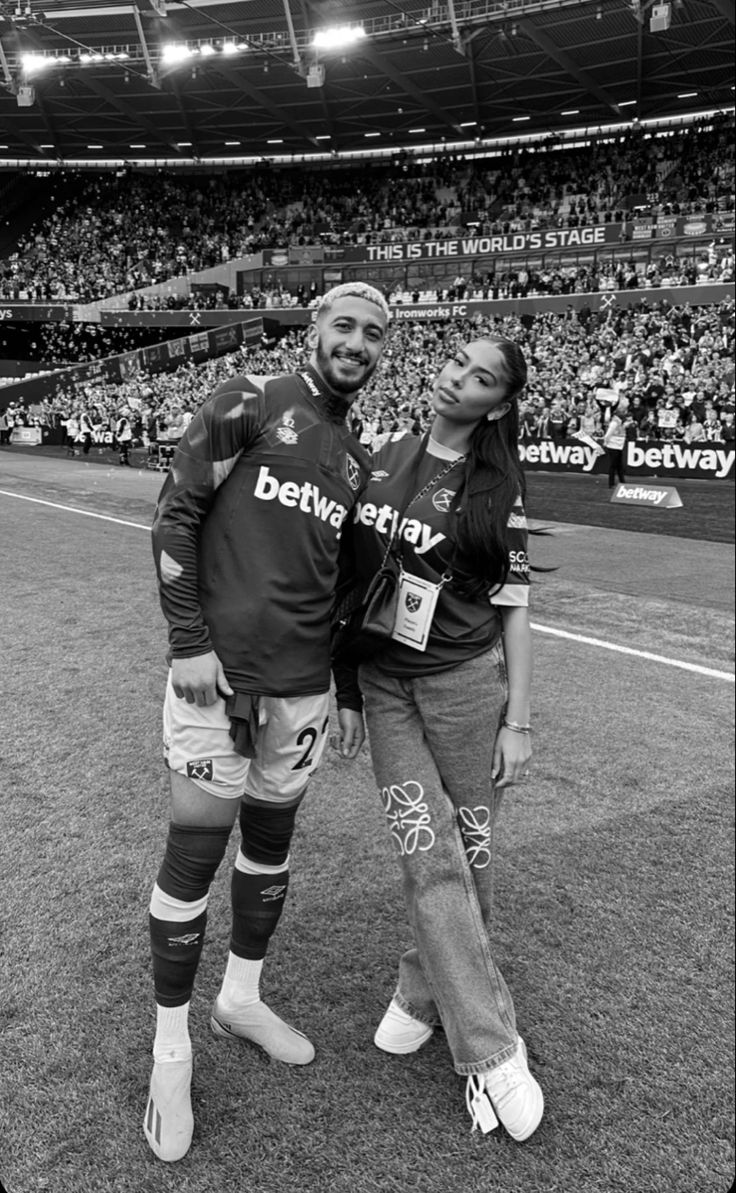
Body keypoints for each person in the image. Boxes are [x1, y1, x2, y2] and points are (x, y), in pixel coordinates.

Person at [144, 282, 390, 1162]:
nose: (355, 343)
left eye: (372, 334)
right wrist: (188, 643)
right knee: (195, 854)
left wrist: (343, 689)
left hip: (302, 693)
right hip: (221, 680)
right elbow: (176, 514)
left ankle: (240, 997)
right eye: (344, 326)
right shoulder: (249, 399)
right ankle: (170, 1051)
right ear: (314, 328)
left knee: (271, 847)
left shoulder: (355, 458)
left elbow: (342, 587)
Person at [343, 336, 544, 1142]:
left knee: (472, 857)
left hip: (466, 690)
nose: (458, 375)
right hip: (385, 688)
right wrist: (347, 692)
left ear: (496, 405)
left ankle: (421, 993)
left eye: (481, 377)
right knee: (428, 853)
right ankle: (493, 1052)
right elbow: (345, 584)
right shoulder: (382, 456)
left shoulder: (497, 487)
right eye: (458, 360)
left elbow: (516, 607)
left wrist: (518, 719)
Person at [602, 398, 629, 488]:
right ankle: (611, 483)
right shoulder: (615, 422)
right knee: (614, 465)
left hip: (618, 445)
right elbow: (608, 433)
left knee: (619, 465)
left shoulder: (620, 421)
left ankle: (621, 481)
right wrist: (605, 442)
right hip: (613, 445)